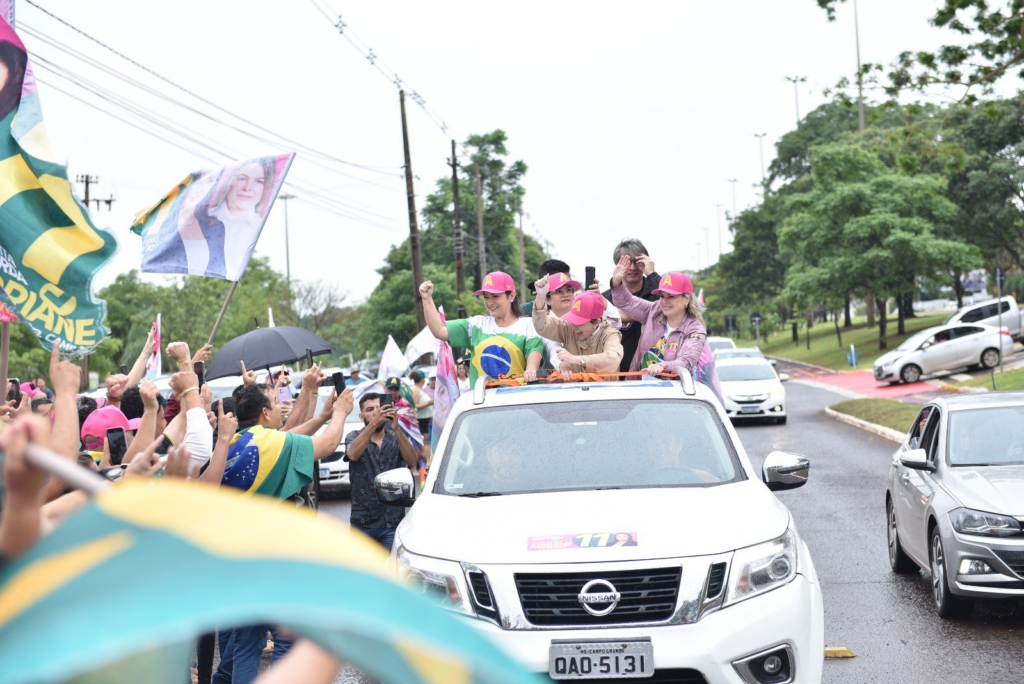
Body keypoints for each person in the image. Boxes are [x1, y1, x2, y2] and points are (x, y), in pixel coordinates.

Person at [420, 271, 544, 384]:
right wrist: (427, 299)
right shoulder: (476, 324)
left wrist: (531, 369)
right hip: (483, 404)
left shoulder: (528, 325)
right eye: (486, 297)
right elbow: (439, 330)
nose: (490, 302)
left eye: (495, 296)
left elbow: (534, 350)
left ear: (511, 296)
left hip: (516, 402)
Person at [344, 392, 420, 551]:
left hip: (392, 523)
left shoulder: (396, 436)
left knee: (388, 572)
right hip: (362, 523)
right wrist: (373, 424)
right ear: (361, 416)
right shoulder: (354, 436)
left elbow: (413, 461)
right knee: (362, 572)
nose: (376, 413)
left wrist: (397, 429)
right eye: (370, 410)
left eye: (379, 408)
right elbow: (352, 454)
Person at [610, 259, 706, 377]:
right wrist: (616, 281)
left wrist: (662, 366)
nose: (665, 301)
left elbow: (685, 362)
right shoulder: (654, 310)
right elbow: (626, 302)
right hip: (639, 388)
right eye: (662, 296)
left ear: (686, 299)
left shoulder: (695, 329)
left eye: (671, 296)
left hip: (673, 393)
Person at [532, 281, 624, 375]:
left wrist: (575, 359)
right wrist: (540, 296)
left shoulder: (610, 333)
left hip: (604, 388)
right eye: (572, 319)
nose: (573, 326)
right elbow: (542, 326)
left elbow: (613, 359)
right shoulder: (567, 326)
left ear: (597, 321)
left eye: (579, 322)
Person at [211, 157, 277, 281]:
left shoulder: (262, 227)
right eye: (242, 179)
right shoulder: (204, 218)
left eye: (259, 181)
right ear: (229, 182)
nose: (247, 188)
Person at [601, 239, 661, 372]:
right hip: (617, 374)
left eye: (637, 262)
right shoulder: (606, 300)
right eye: (627, 262)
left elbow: (672, 305)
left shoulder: (658, 292)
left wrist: (652, 274)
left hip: (653, 372)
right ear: (617, 265)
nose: (633, 268)